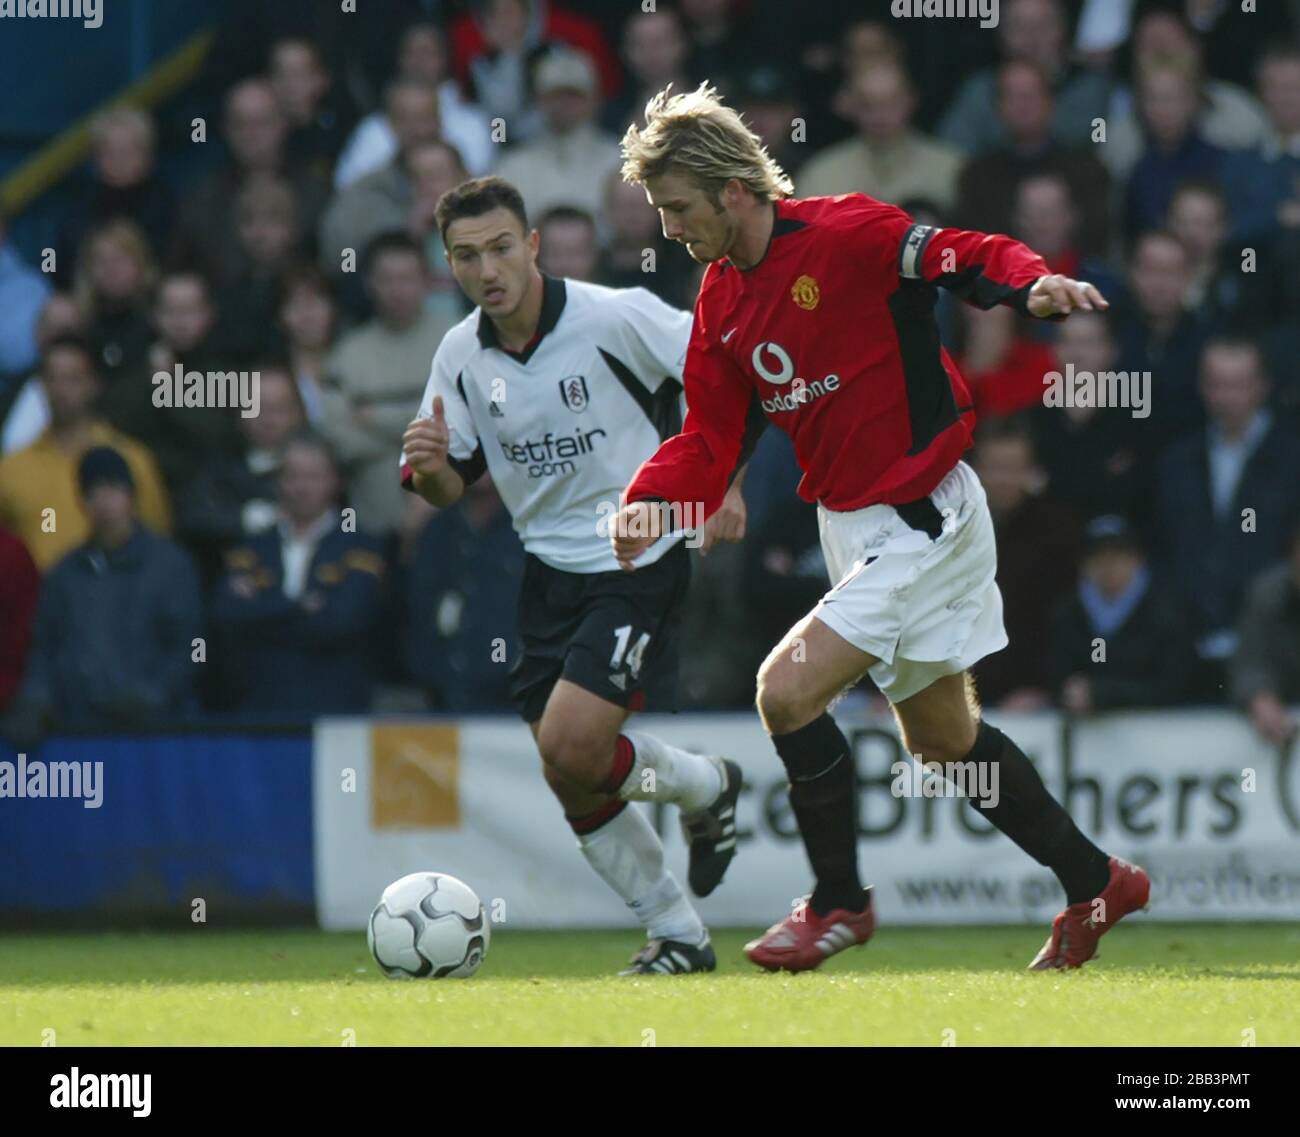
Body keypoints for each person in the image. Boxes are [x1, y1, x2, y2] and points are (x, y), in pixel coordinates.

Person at [612, 82, 1150, 973]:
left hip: (924, 513)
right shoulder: (718, 301)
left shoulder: (845, 233)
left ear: (732, 190)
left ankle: (838, 903)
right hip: (849, 526)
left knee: (784, 690)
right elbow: (710, 437)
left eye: (677, 207)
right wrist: (651, 499)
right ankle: (1098, 881)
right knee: (943, 739)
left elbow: (959, 253)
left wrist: (1031, 283)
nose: (669, 227)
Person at [400, 176, 744, 975]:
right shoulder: (459, 354)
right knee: (569, 773)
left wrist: (724, 482)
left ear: (532, 246)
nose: (487, 270)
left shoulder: (613, 315)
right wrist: (431, 469)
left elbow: (720, 372)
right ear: (448, 264)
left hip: (640, 553)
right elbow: (451, 483)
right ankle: (679, 934)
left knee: (570, 743)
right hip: (548, 573)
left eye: (498, 249)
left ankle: (703, 787)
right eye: (465, 256)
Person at [5, 447, 200, 739]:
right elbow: (44, 647)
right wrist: (36, 700)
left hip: (154, 733)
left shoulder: (171, 567)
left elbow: (193, 648)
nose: (104, 501)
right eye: (93, 491)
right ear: (82, 501)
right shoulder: (65, 573)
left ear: (131, 495)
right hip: (75, 729)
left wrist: (152, 695)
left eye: (113, 488)